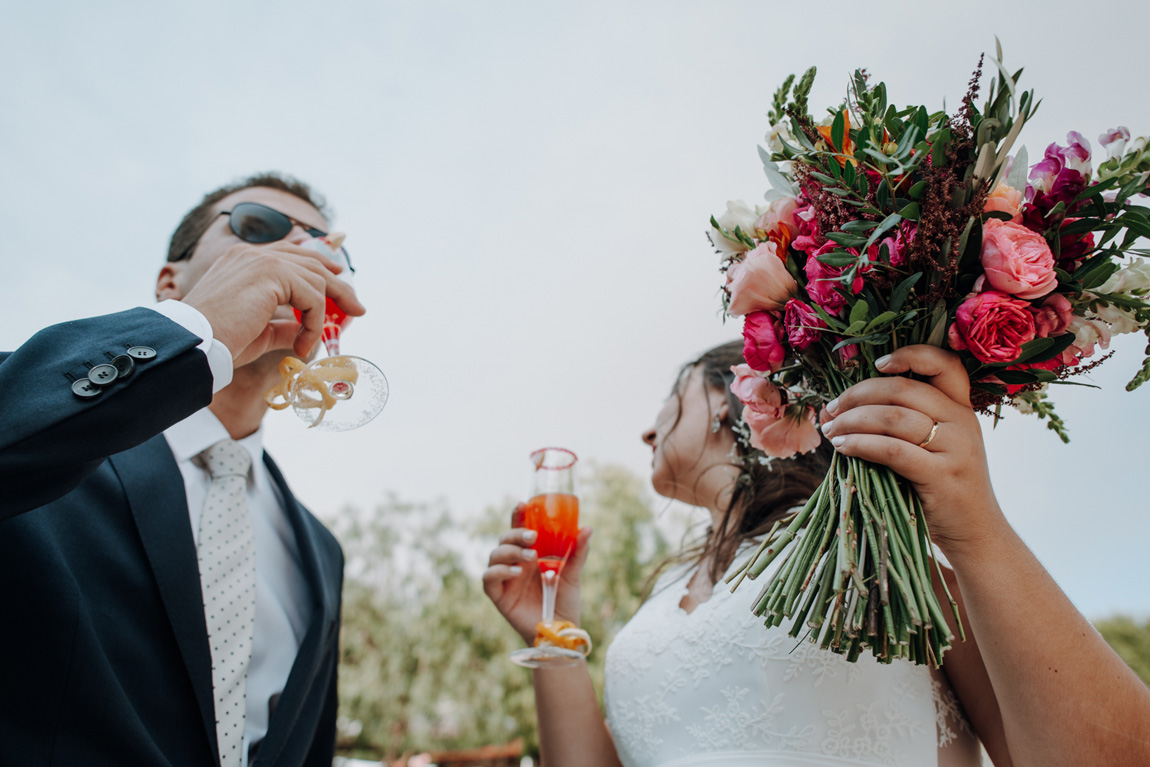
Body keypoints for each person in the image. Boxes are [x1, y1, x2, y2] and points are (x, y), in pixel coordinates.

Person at [483, 341, 1150, 767]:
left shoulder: (868, 549)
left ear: (732, 397)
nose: (647, 427)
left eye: (672, 393)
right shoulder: (659, 603)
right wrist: (554, 625)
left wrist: (974, 526)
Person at [0, 173, 364, 767]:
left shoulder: (322, 552)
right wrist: (196, 331)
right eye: (261, 228)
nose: (302, 251)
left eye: (325, 245)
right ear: (172, 282)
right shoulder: (51, 440)